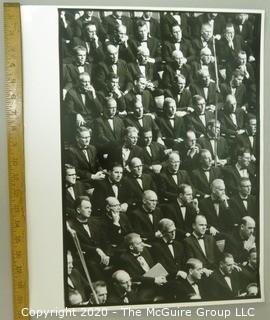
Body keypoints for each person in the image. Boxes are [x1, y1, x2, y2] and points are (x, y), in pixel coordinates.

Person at [67, 196, 111, 281]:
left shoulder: (96, 222)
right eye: (87, 208)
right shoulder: (71, 226)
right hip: (87, 258)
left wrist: (107, 255)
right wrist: (96, 250)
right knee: (92, 266)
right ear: (78, 210)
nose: (90, 210)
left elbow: (106, 241)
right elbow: (77, 245)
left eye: (90, 207)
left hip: (103, 256)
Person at [119, 233, 167, 302]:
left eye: (142, 242)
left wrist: (161, 276)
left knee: (175, 287)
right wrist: (154, 280)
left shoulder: (145, 250)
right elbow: (134, 277)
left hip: (158, 280)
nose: (142, 245)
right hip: (143, 286)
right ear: (131, 247)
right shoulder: (124, 258)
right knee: (143, 300)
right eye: (138, 244)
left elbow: (154, 266)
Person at [64, 72, 103, 138]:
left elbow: (100, 110)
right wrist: (77, 114)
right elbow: (69, 110)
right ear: (79, 82)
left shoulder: (91, 91)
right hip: (81, 120)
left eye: (88, 82)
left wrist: (94, 95)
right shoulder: (71, 93)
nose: (87, 84)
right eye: (85, 82)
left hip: (92, 120)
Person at [65, 126, 104, 190]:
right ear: (77, 138)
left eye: (88, 137)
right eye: (84, 138)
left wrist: (101, 171)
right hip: (83, 181)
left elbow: (97, 163)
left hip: (95, 179)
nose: (87, 140)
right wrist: (92, 176)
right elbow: (76, 170)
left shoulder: (92, 148)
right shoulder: (71, 151)